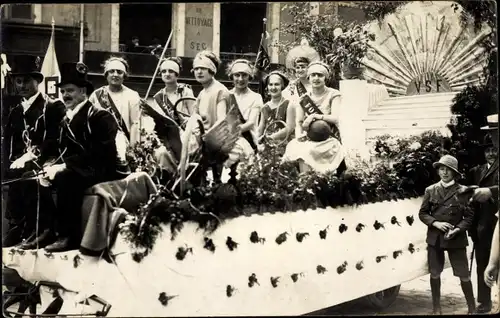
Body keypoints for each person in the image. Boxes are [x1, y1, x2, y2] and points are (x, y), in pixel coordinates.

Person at [40, 62, 121, 252]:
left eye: (70, 91)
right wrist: (51, 163)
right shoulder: (65, 119)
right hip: (79, 167)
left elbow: (101, 153)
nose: (65, 95)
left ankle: (70, 236)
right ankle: (47, 230)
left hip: (101, 169)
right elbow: (61, 149)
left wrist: (64, 166)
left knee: (65, 178)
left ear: (83, 92)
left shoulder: (100, 116)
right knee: (39, 177)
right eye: (63, 92)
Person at [2, 55, 66, 248]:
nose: (22, 86)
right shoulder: (15, 111)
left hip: (49, 158)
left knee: (30, 174)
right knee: (11, 175)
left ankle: (40, 229)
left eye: (27, 81)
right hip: (20, 162)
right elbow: (9, 144)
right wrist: (10, 162)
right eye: (18, 81)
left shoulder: (53, 106)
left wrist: (33, 154)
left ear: (38, 81)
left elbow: (56, 139)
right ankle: (18, 226)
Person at [419, 154, 476, 315]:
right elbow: (423, 213)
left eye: (448, 170)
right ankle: (436, 308)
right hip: (435, 238)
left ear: (455, 173)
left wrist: (457, 229)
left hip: (456, 237)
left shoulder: (462, 191)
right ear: (438, 171)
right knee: (435, 272)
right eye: (442, 169)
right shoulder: (430, 190)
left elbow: (469, 217)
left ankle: (471, 308)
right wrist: (436, 223)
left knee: (463, 274)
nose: (444, 173)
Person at [282, 62, 346, 175]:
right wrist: (299, 136)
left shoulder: (334, 94)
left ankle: (322, 180)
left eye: (320, 75)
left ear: (325, 77)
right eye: (313, 75)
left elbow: (335, 118)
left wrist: (314, 116)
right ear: (308, 77)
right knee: (294, 147)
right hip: (310, 138)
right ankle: (305, 182)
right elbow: (299, 122)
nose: (316, 78)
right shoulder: (303, 99)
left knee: (309, 151)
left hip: (329, 137)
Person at [139, 57, 197, 179]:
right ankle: (172, 179)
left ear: (177, 74)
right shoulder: (158, 97)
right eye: (164, 71)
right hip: (167, 136)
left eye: (171, 71)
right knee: (161, 153)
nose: (167, 74)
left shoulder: (185, 91)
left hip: (186, 133)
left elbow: (194, 115)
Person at [89, 56, 144, 175]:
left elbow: (135, 123)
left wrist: (132, 149)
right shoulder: (96, 95)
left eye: (119, 72)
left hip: (125, 142)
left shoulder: (132, 95)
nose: (115, 74)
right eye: (111, 71)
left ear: (124, 75)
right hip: (101, 141)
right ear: (106, 74)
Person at [467, 113, 499, 313]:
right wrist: (471, 226)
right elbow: (472, 201)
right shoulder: (476, 171)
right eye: (488, 150)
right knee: (482, 263)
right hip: (482, 225)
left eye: (494, 150)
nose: (491, 153)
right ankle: (484, 301)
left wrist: (491, 193)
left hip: (496, 222)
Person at [191, 50, 230, 183]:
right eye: (196, 69)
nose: (199, 72)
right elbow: (195, 118)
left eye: (203, 68)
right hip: (201, 139)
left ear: (212, 70)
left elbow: (221, 120)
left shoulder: (220, 91)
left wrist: (207, 135)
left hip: (217, 141)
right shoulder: (201, 93)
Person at [225, 59, 262, 167]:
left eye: (244, 75)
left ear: (249, 77)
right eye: (237, 75)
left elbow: (251, 123)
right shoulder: (226, 95)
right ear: (231, 76)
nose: (240, 79)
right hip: (227, 137)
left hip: (248, 137)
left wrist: (232, 132)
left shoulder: (256, 97)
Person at [258, 70, 296, 143]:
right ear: (267, 87)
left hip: (285, 142)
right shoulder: (265, 107)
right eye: (270, 84)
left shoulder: (289, 104)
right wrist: (257, 141)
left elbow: (290, 127)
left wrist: (270, 138)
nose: (273, 87)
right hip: (268, 144)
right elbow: (260, 128)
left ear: (282, 86)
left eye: (277, 84)